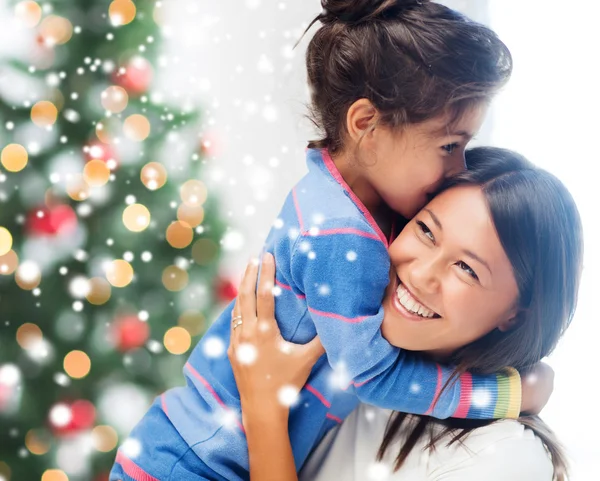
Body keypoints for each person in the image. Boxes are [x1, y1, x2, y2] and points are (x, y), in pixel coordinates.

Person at [110, 2, 552, 480]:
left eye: (466, 267)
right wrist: (505, 394)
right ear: (366, 125)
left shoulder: (331, 194)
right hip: (192, 464)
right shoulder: (345, 237)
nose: (459, 167)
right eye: (449, 145)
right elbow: (373, 375)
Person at [229, 147, 582, 481]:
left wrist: (263, 411)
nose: (421, 274)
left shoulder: (506, 457)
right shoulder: (349, 347)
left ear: (515, 316)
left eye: (466, 268)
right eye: (426, 230)